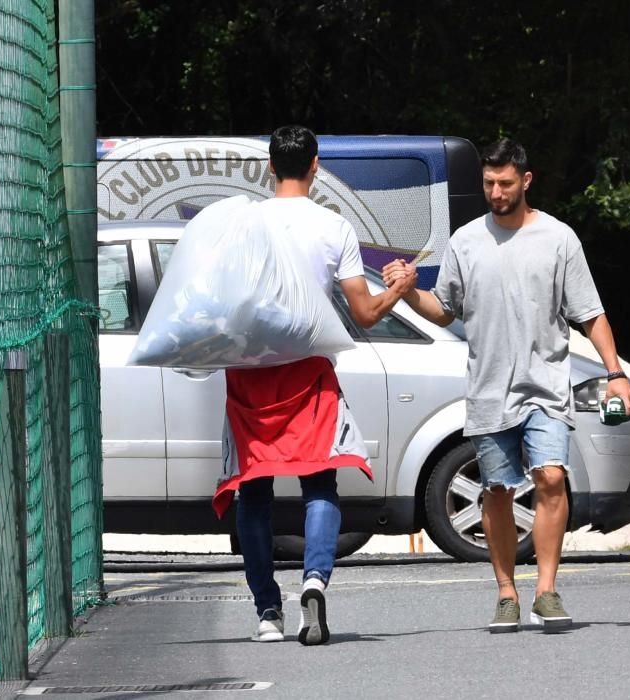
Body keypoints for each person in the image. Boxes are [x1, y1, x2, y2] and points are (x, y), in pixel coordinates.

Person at [382, 138, 630, 633]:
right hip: (488, 390)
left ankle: (546, 590)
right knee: (496, 490)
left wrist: (616, 372)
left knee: (550, 478)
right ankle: (505, 592)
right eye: (487, 183)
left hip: (545, 386)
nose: (495, 192)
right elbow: (443, 309)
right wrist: (410, 291)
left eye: (504, 183)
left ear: (526, 180)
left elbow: (591, 314)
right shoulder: (466, 241)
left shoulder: (558, 239)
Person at [214, 125, 417, 645]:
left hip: (250, 373)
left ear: (269, 166)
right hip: (308, 372)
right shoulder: (334, 227)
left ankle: (266, 613)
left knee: (253, 492)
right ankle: (314, 579)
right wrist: (396, 288)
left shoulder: (244, 224)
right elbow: (366, 314)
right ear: (316, 165)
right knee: (319, 484)